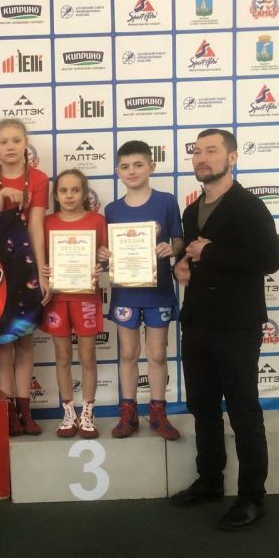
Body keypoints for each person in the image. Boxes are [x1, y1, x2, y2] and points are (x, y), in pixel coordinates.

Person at [170, 128, 279, 531]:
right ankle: (210, 482)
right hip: (197, 323)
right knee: (203, 409)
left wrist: (210, 251)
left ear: (232, 158)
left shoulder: (249, 206)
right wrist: (181, 265)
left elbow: (269, 260)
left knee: (243, 411)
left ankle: (252, 498)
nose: (202, 158)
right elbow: (192, 259)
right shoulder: (191, 211)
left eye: (212, 151)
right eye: (197, 151)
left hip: (236, 327)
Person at [98, 140, 183, 440]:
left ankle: (158, 413)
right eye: (125, 166)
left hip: (159, 292)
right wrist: (103, 255)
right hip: (126, 293)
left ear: (151, 166)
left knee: (157, 354)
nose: (131, 171)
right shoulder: (112, 210)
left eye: (138, 164)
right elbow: (106, 255)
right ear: (117, 171)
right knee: (129, 352)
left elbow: (179, 240)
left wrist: (171, 249)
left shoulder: (166, 202)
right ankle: (128, 413)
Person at [0, 118, 49, 435]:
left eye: (16, 140)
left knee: (25, 339)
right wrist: (3, 194)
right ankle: (6, 410)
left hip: (25, 263)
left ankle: (25, 409)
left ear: (25, 144)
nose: (10, 147)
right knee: (3, 341)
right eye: (4, 141)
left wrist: (41, 271)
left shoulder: (39, 178)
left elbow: (36, 226)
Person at [39, 169, 105, 438]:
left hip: (86, 296)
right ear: (55, 195)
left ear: (85, 193)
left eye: (75, 190)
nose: (69, 195)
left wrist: (101, 264)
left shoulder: (97, 221)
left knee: (87, 355)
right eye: (63, 190)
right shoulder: (46, 223)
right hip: (57, 298)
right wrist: (42, 269)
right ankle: (68, 413)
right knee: (63, 355)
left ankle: (88, 412)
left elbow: (105, 256)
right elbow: (39, 257)